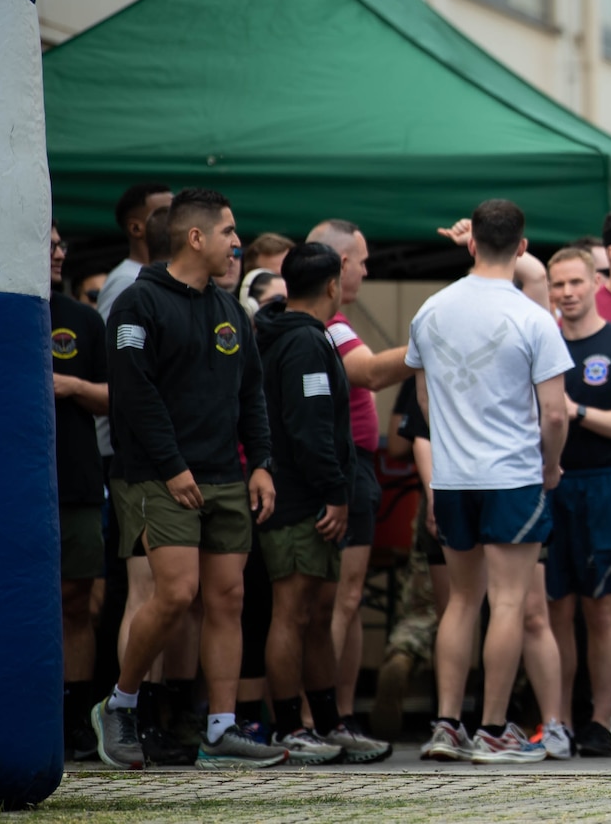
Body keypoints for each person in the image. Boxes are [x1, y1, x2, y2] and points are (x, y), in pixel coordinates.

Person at [95, 188, 287, 769]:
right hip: (157, 475)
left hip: (224, 475)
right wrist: (174, 467)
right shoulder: (138, 302)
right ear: (195, 237)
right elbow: (134, 395)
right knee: (175, 593)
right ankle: (120, 704)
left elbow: (251, 391)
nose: (238, 242)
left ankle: (221, 729)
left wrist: (260, 463)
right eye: (229, 232)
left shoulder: (229, 309)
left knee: (227, 598)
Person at [410, 199, 573, 764]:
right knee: (507, 603)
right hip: (512, 475)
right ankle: (493, 728)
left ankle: (445, 723)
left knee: (460, 602)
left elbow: (424, 396)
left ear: (472, 242)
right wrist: (550, 465)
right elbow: (556, 414)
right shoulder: (534, 318)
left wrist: (453, 444)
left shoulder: (430, 309)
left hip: (454, 479)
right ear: (524, 247)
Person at [252, 242, 387, 764]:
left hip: (308, 496)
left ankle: (329, 723)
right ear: (332, 286)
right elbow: (309, 430)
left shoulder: (289, 333)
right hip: (301, 502)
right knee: (292, 612)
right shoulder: (306, 342)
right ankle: (291, 727)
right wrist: (335, 492)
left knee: (315, 611)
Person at [305, 219, 415, 740]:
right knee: (335, 600)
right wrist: (427, 346)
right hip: (342, 470)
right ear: (340, 264)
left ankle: (339, 716)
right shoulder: (329, 322)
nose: (369, 270)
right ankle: (320, 717)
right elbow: (368, 372)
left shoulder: (337, 318)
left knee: (345, 599)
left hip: (357, 469)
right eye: (363, 260)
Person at [541, 248, 611, 759]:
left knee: (603, 609)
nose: (567, 293)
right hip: (551, 485)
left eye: (575, 282)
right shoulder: (543, 340)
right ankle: (557, 720)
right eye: (558, 285)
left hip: (606, 483)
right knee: (556, 609)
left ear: (593, 283)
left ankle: (600, 721)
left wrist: (573, 410)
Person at [51, 224, 111, 759]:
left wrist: (69, 386)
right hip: (8, 488)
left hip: (76, 480)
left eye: (60, 245)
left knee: (78, 602)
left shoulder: (82, 320)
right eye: (47, 244)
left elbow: (117, 395)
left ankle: (75, 723)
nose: (57, 253)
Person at [97, 183, 173, 319]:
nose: (178, 220)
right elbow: (110, 336)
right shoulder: (125, 281)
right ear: (135, 228)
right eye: (165, 214)